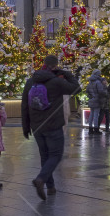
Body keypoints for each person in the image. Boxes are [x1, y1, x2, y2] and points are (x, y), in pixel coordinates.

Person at [21, 55, 79, 200]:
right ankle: (41, 179)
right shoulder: (57, 82)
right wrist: (67, 73)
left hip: (37, 126)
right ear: (55, 66)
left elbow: (24, 106)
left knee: (45, 156)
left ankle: (51, 187)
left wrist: (25, 126)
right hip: (53, 125)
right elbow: (76, 89)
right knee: (55, 155)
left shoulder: (30, 82)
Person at [85, 69, 107, 135]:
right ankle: (96, 129)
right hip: (97, 100)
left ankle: (90, 129)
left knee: (91, 114)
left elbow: (87, 90)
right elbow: (100, 91)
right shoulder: (98, 82)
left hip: (91, 100)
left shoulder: (90, 81)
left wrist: (91, 96)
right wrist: (105, 93)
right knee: (96, 115)